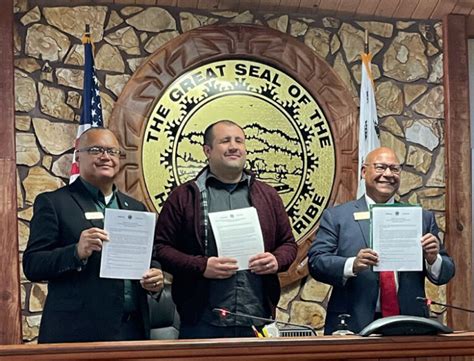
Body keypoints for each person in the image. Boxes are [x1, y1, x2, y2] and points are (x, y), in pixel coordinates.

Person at [154, 120, 297, 339]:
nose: (234, 146)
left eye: (239, 141)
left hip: (257, 320)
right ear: (207, 150)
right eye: (225, 141)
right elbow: (161, 248)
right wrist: (201, 266)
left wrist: (277, 260)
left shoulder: (268, 195)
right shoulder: (184, 196)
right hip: (201, 321)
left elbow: (288, 244)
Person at [23, 128, 164, 343]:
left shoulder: (136, 208)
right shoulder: (54, 203)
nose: (106, 157)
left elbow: (150, 258)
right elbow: (33, 265)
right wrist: (76, 252)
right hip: (77, 334)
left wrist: (155, 276)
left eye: (112, 151)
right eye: (96, 150)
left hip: (131, 331)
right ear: (78, 155)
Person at [308, 147, 455, 335]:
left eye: (394, 169)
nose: (388, 174)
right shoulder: (337, 217)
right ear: (363, 172)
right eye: (380, 167)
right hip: (352, 327)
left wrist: (433, 258)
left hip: (409, 326)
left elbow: (446, 272)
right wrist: (353, 264)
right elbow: (316, 262)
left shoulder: (421, 218)